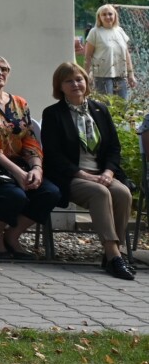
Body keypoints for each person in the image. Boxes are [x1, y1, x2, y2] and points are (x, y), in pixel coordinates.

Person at [42, 63, 135, 280]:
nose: (75, 84)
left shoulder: (100, 110)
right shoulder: (53, 114)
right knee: (100, 193)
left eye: (79, 79)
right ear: (60, 86)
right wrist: (84, 175)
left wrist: (108, 173)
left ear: (86, 82)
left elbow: (114, 148)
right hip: (71, 176)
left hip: (102, 174)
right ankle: (114, 256)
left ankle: (112, 254)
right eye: (69, 81)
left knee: (122, 193)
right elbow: (54, 155)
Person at [0, 54, 59, 260]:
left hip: (19, 163)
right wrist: (17, 173)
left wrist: (36, 168)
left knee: (50, 192)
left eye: (4, 69)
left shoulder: (20, 103)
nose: (0, 72)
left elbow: (30, 139)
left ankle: (13, 235)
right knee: (14, 195)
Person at [82, 4, 135, 99]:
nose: (107, 17)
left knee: (122, 105)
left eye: (110, 14)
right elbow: (88, 56)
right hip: (102, 76)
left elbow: (127, 54)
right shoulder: (95, 32)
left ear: (115, 16)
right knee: (105, 105)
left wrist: (131, 74)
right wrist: (85, 76)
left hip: (120, 75)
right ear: (99, 17)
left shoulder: (120, 31)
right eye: (104, 14)